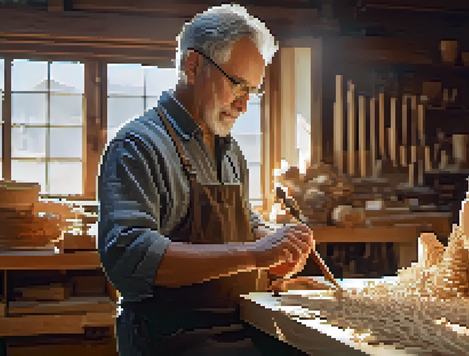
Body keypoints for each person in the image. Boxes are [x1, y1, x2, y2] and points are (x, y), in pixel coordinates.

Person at [97, 5, 314, 356]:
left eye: (253, 92)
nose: (243, 106)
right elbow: (130, 257)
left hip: (241, 322)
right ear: (193, 66)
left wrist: (274, 243)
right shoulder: (139, 146)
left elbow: (245, 220)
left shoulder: (229, 151)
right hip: (173, 336)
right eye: (238, 86)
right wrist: (253, 254)